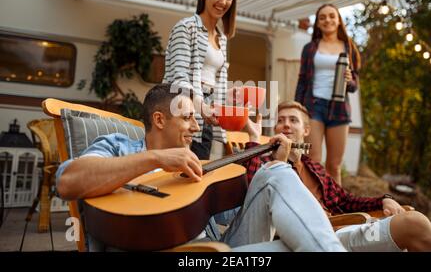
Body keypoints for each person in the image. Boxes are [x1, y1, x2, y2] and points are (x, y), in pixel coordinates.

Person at [55, 84, 346, 252]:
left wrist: (268, 153)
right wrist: (156, 159)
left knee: (276, 178)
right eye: (188, 118)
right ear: (159, 120)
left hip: (217, 249)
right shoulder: (120, 147)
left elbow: (248, 207)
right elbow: (69, 182)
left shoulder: (198, 167)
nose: (197, 127)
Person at [241, 100, 431, 252]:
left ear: (306, 130)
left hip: (349, 227)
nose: (285, 124)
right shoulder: (271, 167)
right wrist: (254, 139)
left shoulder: (314, 167)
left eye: (293, 120)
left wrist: (385, 198)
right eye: (280, 121)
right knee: (416, 224)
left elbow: (347, 199)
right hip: (325, 236)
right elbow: (251, 193)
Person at [162, 0, 238, 160]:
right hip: (182, 108)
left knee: (199, 168)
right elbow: (179, 76)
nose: (223, 2)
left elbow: (213, 80)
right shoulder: (186, 27)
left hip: (208, 111)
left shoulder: (222, 38)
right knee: (176, 169)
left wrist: (230, 97)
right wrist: (200, 106)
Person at [295, 4, 361, 185]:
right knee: (313, 161)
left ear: (339, 20)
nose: (327, 20)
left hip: (339, 109)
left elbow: (354, 85)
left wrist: (350, 80)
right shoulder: (310, 48)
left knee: (334, 165)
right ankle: (313, 207)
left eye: (332, 16)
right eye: (322, 17)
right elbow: (302, 80)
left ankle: (336, 210)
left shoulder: (349, 48)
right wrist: (297, 109)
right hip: (313, 106)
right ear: (318, 23)